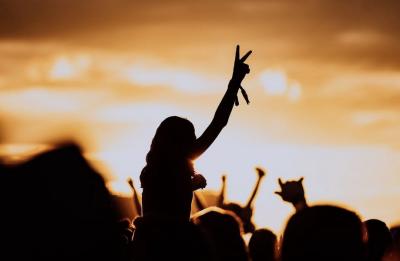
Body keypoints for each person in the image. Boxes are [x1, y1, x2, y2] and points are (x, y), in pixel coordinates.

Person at [132, 45, 252, 260]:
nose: (196, 142)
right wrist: (191, 184)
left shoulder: (159, 167)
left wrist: (234, 84)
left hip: (155, 243)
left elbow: (218, 124)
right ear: (179, 142)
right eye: (191, 138)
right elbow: (165, 198)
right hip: (161, 246)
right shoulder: (158, 171)